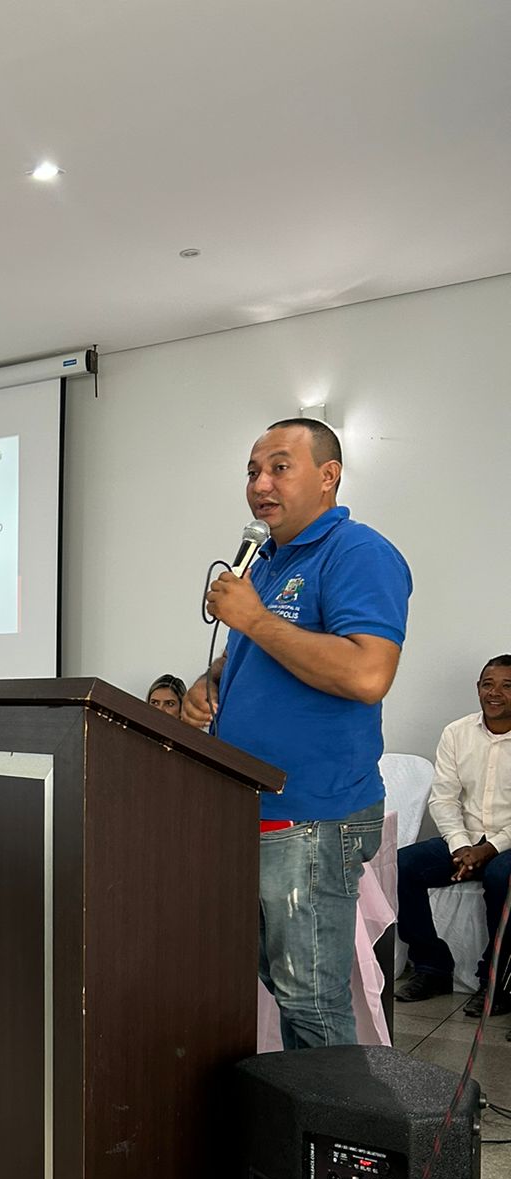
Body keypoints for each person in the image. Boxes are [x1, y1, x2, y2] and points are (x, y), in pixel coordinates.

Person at [182, 418, 412, 1051]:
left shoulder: (358, 553)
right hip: (252, 808)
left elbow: (367, 673)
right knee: (286, 986)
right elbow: (270, 654)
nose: (261, 484)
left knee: (310, 1000)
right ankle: (300, 1135)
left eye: (279, 467)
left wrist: (253, 620)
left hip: (313, 814)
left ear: (329, 475)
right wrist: (214, 679)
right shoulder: (266, 561)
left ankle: (336, 1143)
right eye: (253, 471)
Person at [394, 656, 511, 1018]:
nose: (495, 693)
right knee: (404, 865)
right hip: (466, 839)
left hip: (506, 845)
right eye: (487, 684)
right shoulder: (457, 732)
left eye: (507, 685)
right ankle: (432, 968)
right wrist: (462, 846)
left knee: (499, 875)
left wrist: (489, 849)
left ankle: (495, 982)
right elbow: (443, 798)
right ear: (478, 688)